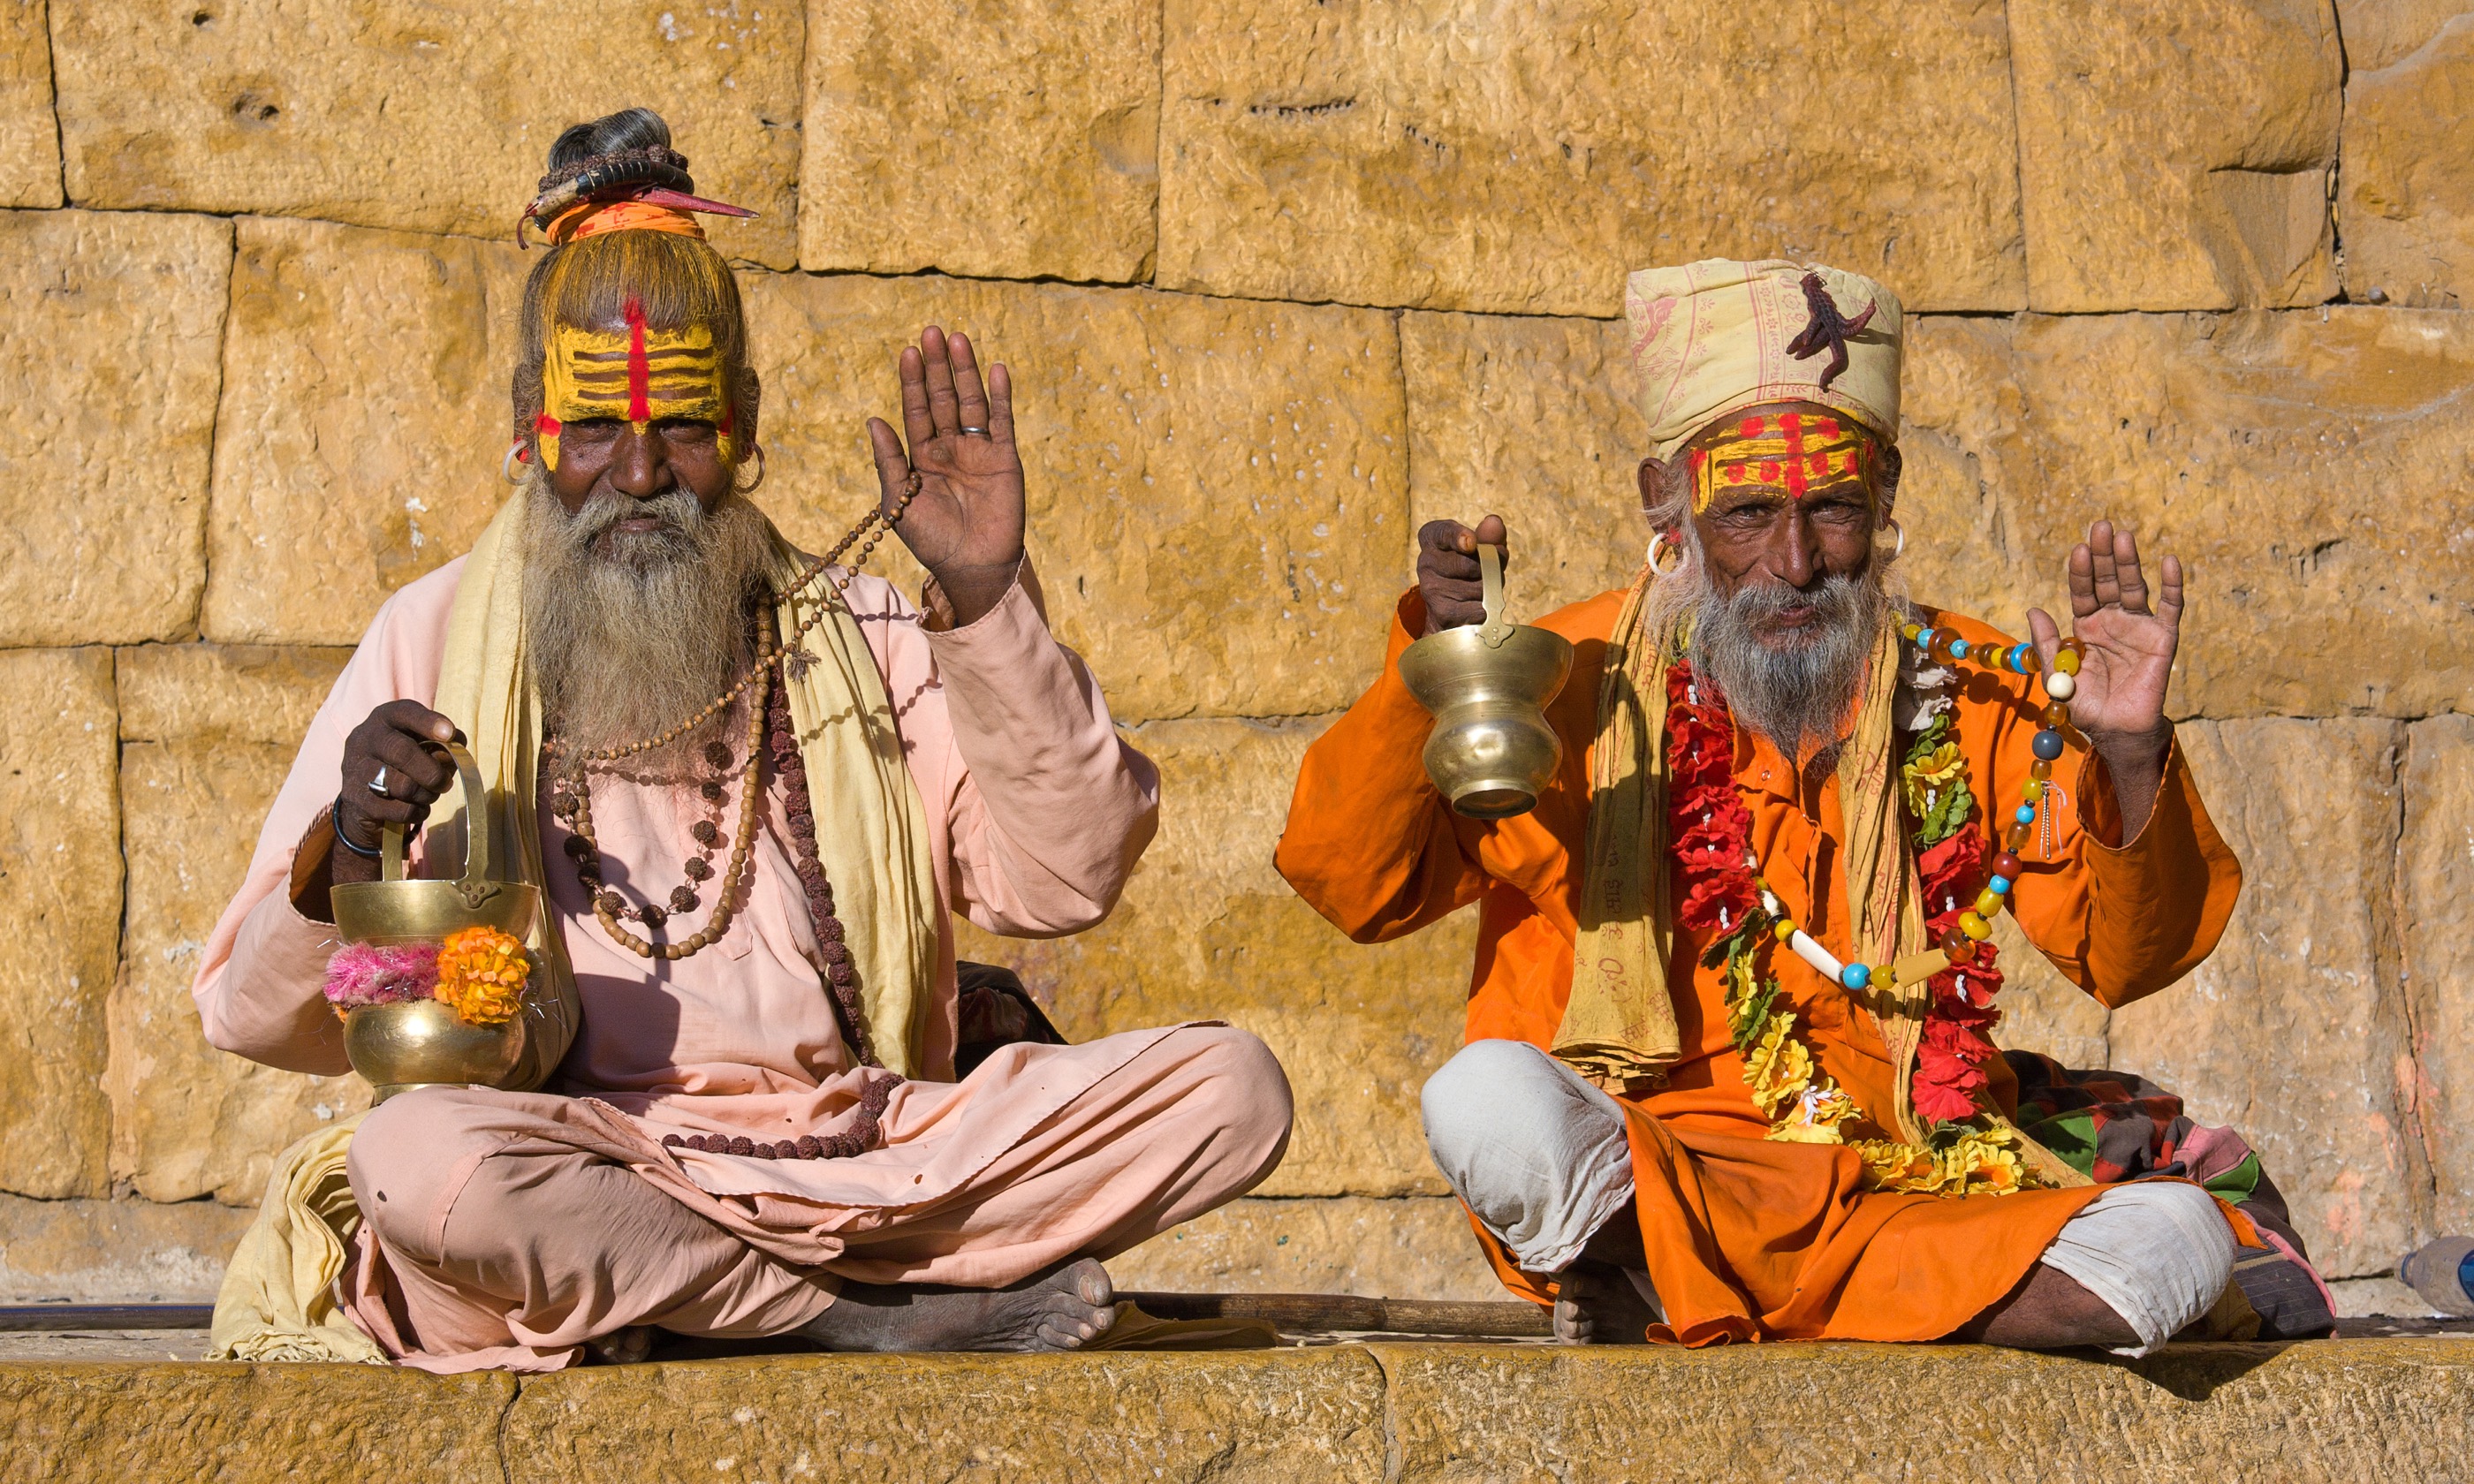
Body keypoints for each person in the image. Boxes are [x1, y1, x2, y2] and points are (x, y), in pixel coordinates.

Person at [194, 109, 1291, 1374]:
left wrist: (988, 601)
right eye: (596, 427)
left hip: (874, 1158)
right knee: (422, 1165)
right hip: (583, 1159)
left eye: (688, 428)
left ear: (748, 426)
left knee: (1234, 1089)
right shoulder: (434, 632)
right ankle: (859, 1318)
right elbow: (255, 1017)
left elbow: (1066, 881)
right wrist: (353, 845)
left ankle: (687, 1300)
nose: (643, 473)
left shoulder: (863, 627)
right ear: (526, 426)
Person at [1277, 258, 2331, 1352]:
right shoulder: (1556, 675)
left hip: (1914, 1185)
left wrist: (2125, 754)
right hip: (1651, 1169)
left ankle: (1676, 1294)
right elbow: (1355, 884)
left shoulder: (1966, 682)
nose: (1793, 562)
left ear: (1885, 499)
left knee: (2173, 1246)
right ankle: (1802, 1291)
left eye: (1831, 510)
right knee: (1485, 1104)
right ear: (1664, 503)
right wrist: (1436, 668)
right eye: (1745, 515)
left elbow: (2127, 960)